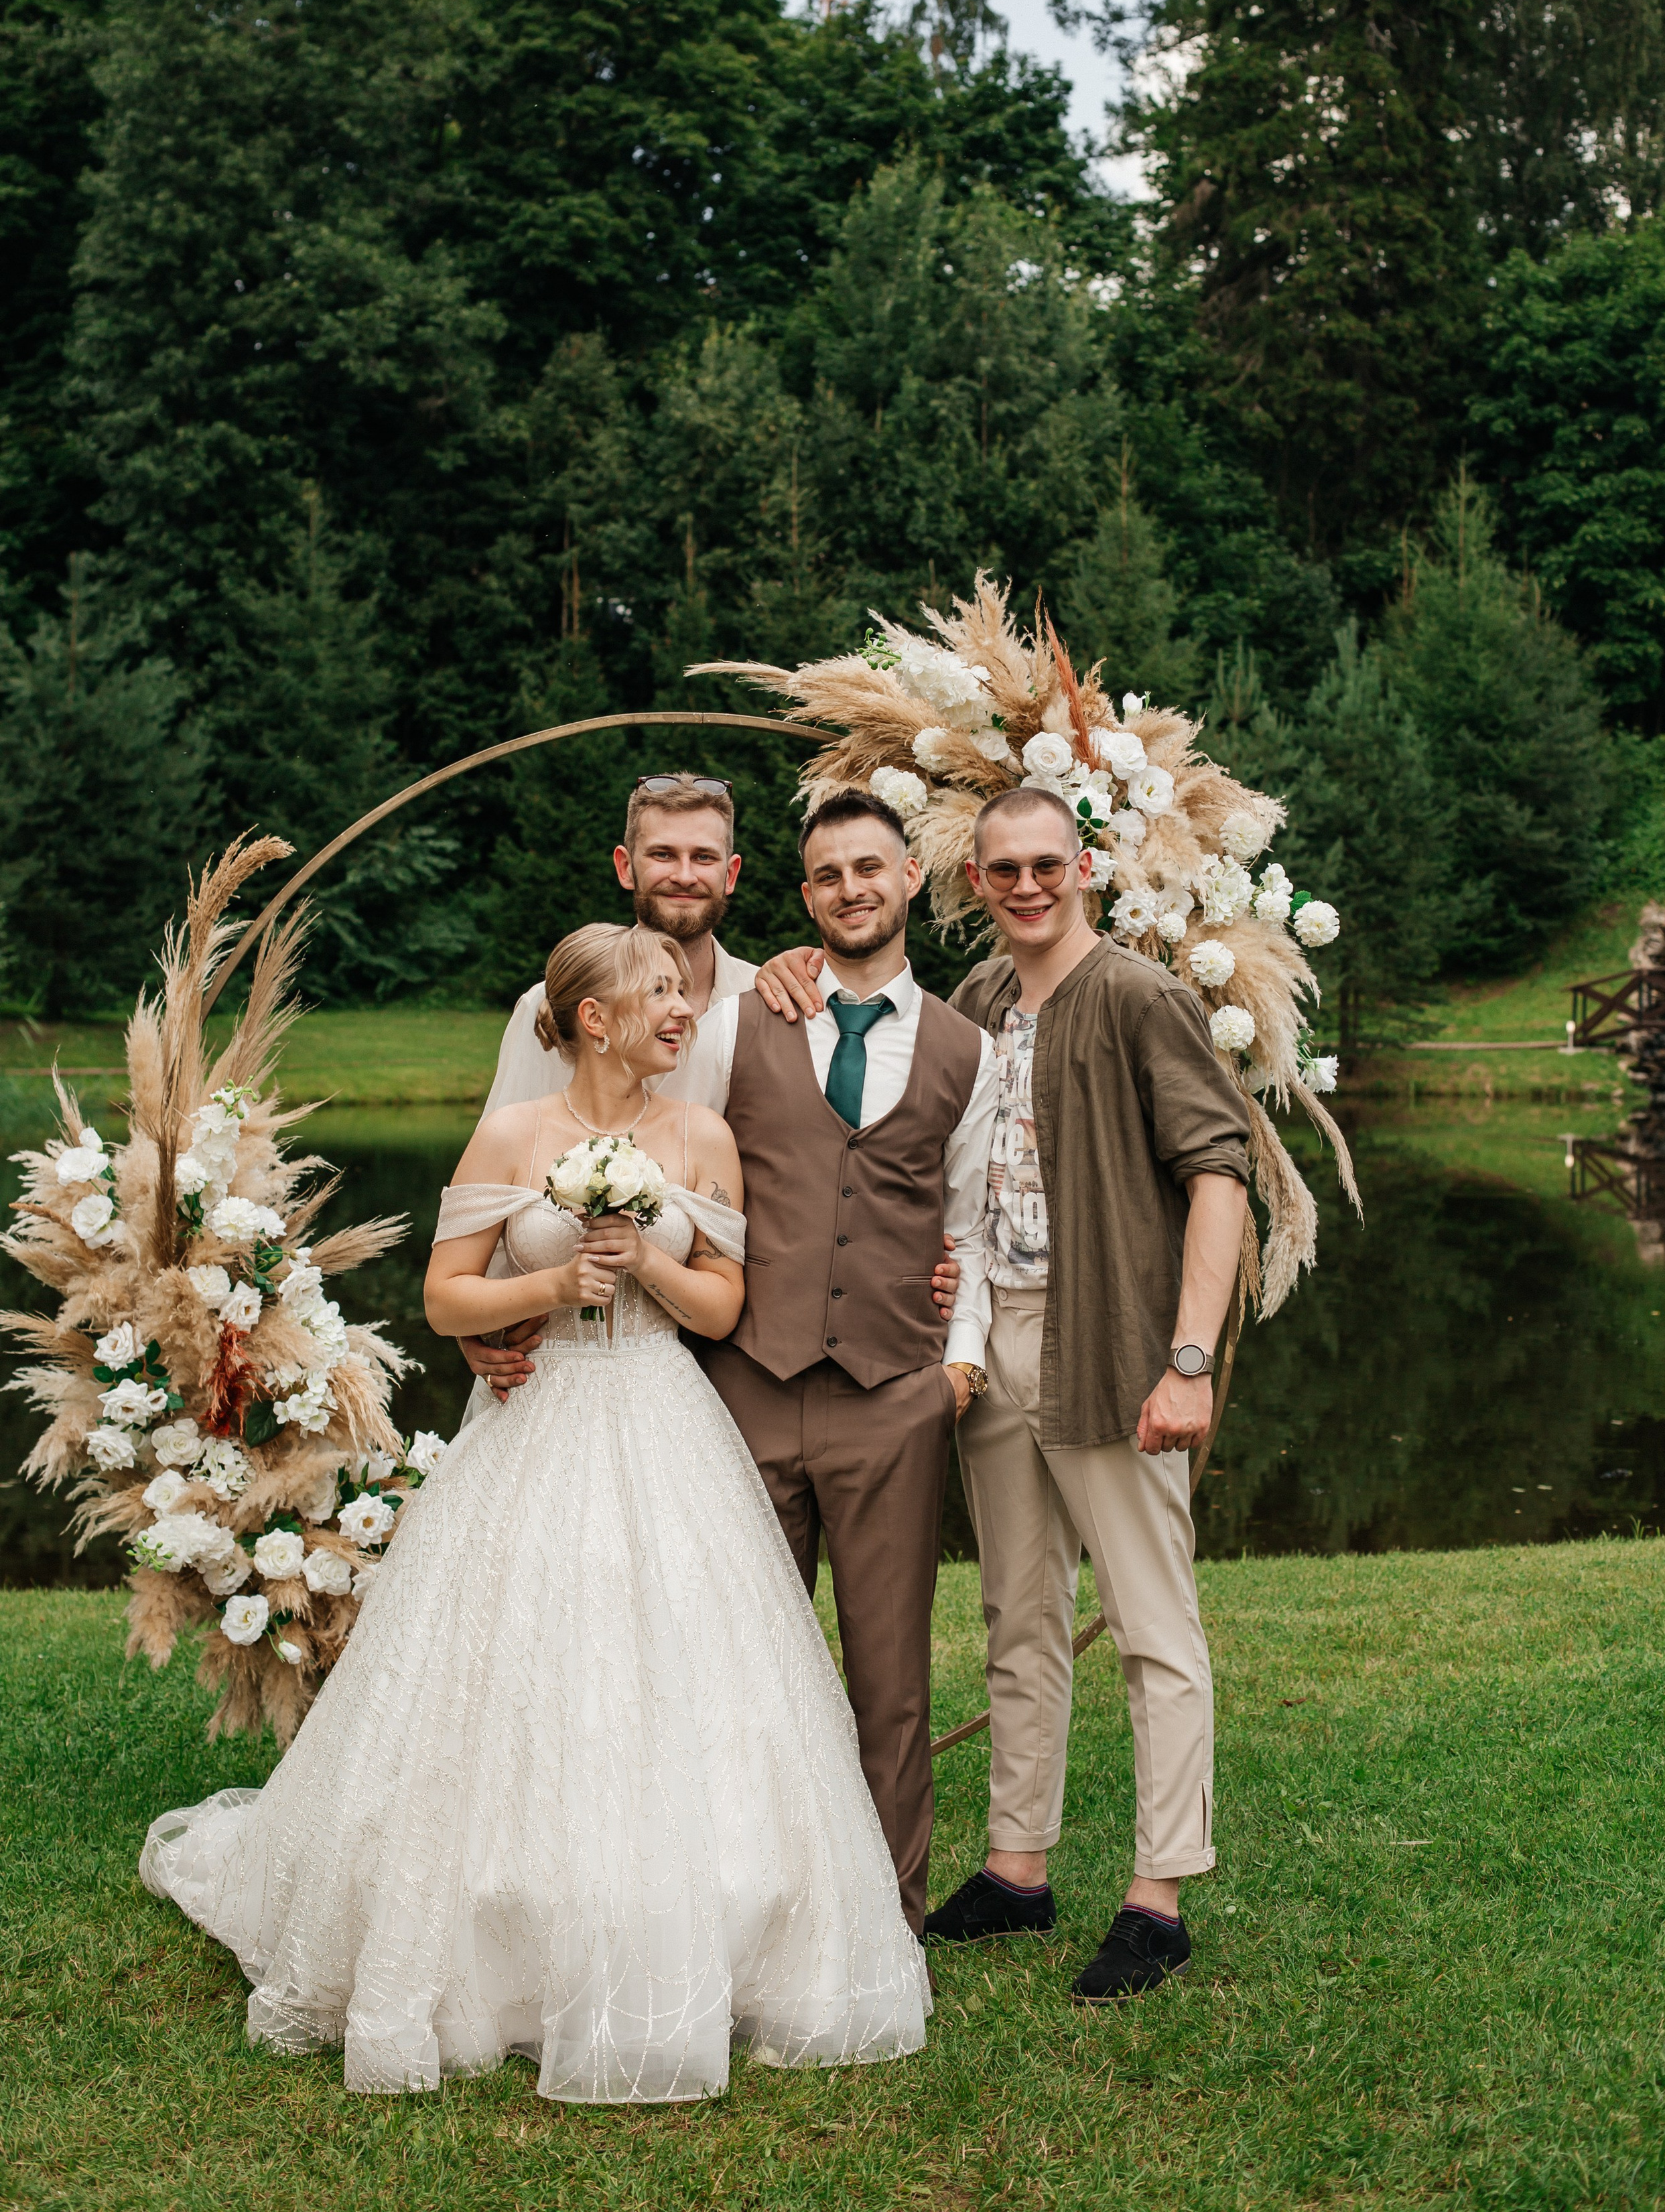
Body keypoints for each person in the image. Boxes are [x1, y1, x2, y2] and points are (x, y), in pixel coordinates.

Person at [141, 924, 929, 2102]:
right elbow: (446, 1290)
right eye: (658, 994)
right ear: (592, 1016)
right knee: (510, 1657)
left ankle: (712, 1927)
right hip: (541, 1409)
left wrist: (647, 1265)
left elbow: (721, 1308)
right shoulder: (516, 1134)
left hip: (664, 1415)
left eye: (682, 991)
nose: (681, 1012)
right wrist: (555, 1284)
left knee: (680, 1665)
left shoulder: (702, 1137)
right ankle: (483, 1931)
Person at [754, 783, 1252, 2002]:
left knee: (1152, 1625)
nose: (1027, 886)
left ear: (1084, 865)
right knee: (1018, 1620)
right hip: (981, 1351)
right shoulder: (971, 1005)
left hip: (1112, 1343)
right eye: (1003, 871)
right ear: (970, 882)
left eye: (1046, 865)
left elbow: (1220, 1175)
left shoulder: (1139, 997)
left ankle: (1159, 1894)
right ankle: (1018, 1869)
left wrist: (1188, 1360)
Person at [671, 790, 1000, 1939]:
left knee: (890, 1684)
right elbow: (681, 1180)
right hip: (747, 1387)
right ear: (803, 896)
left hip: (891, 1400)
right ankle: (729, 1914)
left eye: (872, 867)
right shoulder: (741, 1023)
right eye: (828, 875)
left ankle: (884, 1930)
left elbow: (971, 1227)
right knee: (734, 1676)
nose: (852, 888)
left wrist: (954, 1374)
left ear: (913, 879)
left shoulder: (970, 1049)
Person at [468, 771, 757, 1407]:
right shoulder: (554, 1008)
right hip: (553, 1357)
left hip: (730, 1350)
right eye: (663, 854)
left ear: (730, 873)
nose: (684, 873)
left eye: (703, 857)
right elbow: (488, 1198)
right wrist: (478, 1332)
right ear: (626, 867)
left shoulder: (770, 1003)